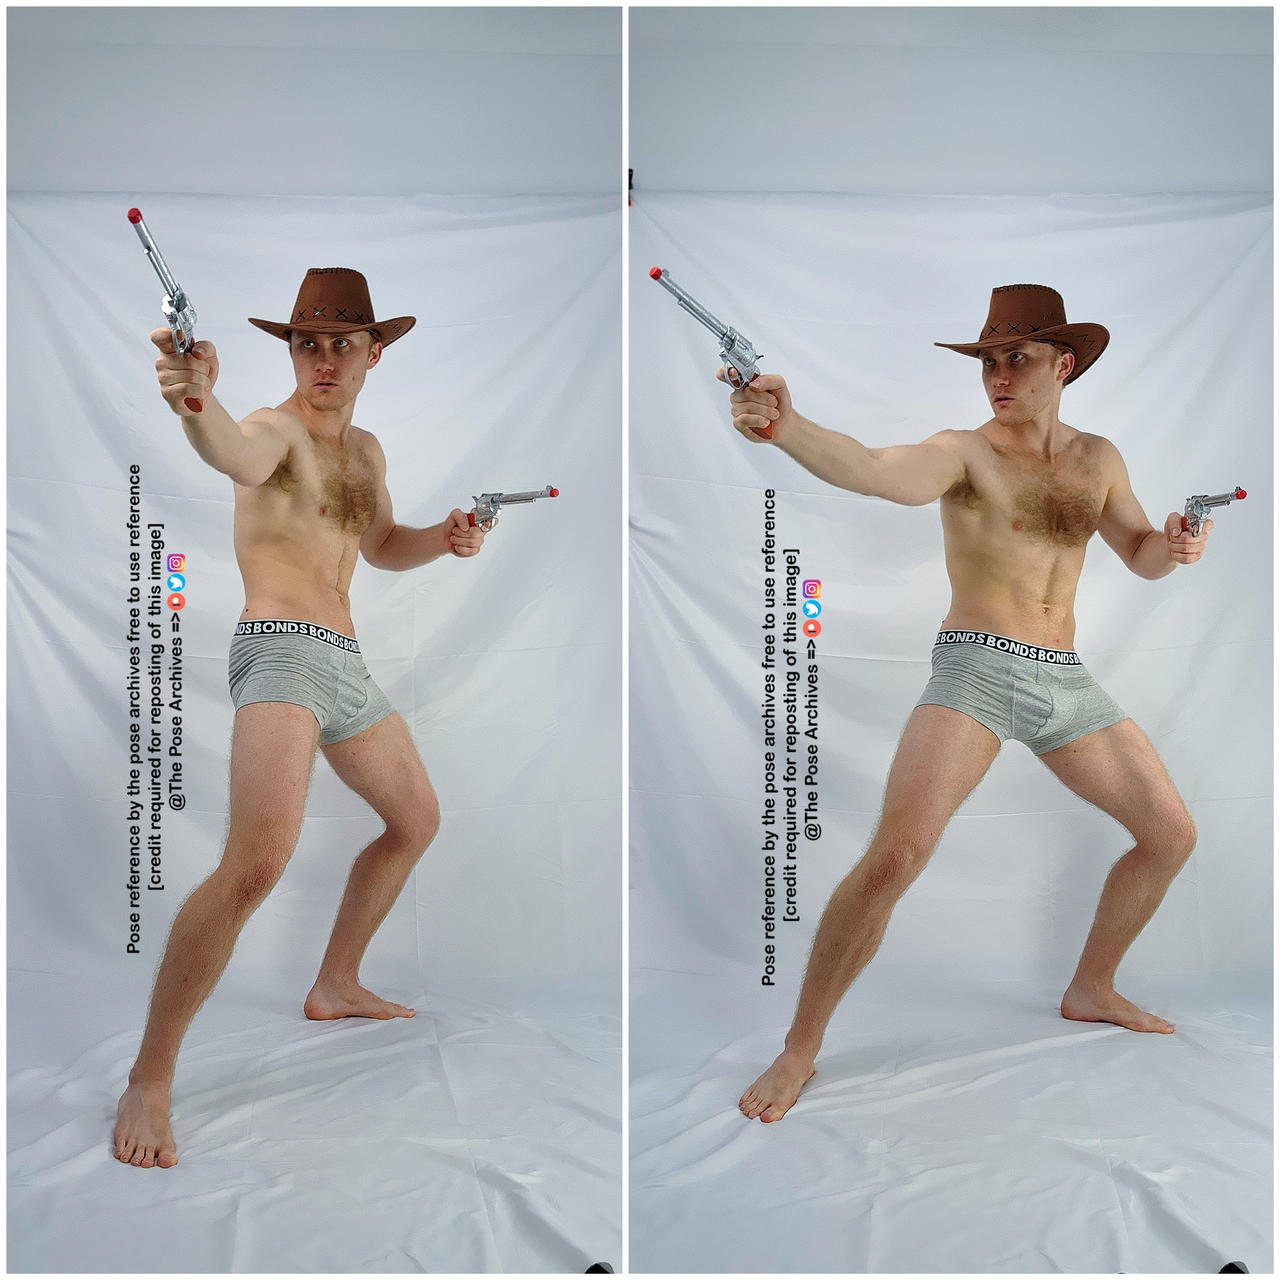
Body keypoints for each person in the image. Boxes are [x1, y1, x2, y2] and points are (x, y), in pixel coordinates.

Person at [730, 284, 1213, 1124]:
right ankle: (799, 1048)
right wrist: (785, 427)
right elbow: (880, 474)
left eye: (1015, 358)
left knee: (1171, 835)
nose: (996, 374)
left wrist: (1175, 546)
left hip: (1065, 678)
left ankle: (1092, 987)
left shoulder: (1100, 458)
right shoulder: (965, 451)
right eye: (988, 360)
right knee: (895, 856)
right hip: (978, 671)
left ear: (1063, 364)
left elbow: (1137, 551)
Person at [114, 268, 487, 1167]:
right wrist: (192, 398)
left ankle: (335, 983)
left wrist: (447, 537)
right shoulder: (271, 428)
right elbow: (229, 452)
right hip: (279, 647)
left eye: (341, 343)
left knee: (417, 821)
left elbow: (385, 547)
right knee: (256, 864)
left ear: (374, 352)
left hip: (347, 664)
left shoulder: (367, 452)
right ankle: (150, 1079)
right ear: (289, 350)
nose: (323, 359)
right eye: (306, 343)